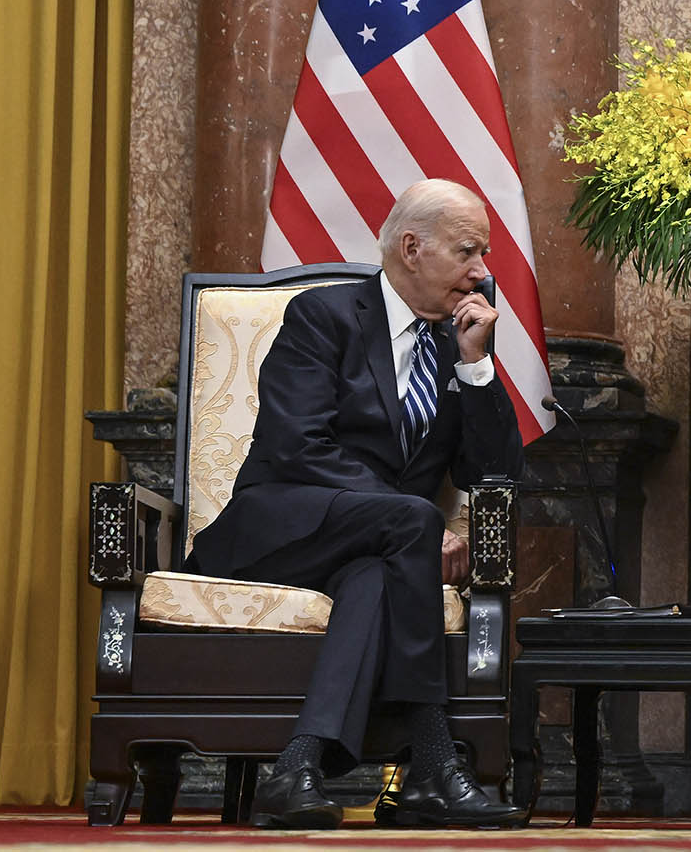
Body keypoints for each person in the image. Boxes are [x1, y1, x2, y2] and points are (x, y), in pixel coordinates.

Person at [186, 178, 526, 829]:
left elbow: (496, 475)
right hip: (277, 527)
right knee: (410, 522)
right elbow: (297, 446)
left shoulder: (455, 342)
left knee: (376, 575)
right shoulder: (326, 315)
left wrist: (478, 366)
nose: (482, 272)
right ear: (411, 247)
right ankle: (431, 763)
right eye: (467, 252)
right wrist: (414, 521)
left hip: (373, 550)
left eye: (484, 254)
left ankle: (297, 767)